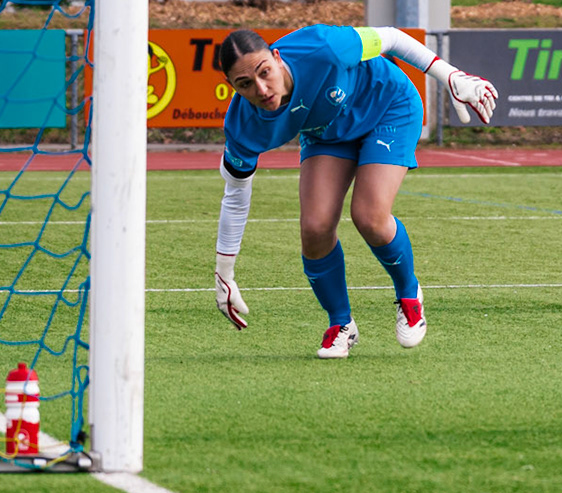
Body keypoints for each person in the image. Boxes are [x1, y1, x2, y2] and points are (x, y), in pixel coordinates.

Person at [210, 25, 498, 358]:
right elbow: (235, 197)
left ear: (277, 57)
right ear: (231, 86)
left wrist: (450, 76)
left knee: (370, 216)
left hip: (387, 106)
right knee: (315, 228)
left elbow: (390, 37)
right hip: (327, 133)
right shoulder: (243, 126)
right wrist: (225, 274)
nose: (261, 89)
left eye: (265, 72)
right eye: (245, 84)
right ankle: (341, 325)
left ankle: (409, 295)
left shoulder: (323, 47)